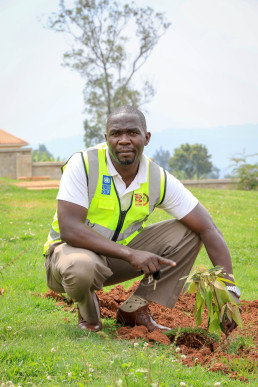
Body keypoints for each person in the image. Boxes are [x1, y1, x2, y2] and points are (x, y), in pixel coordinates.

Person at [44, 105, 241, 334]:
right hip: (67, 258)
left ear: (146, 138)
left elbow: (208, 228)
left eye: (133, 133)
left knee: (190, 232)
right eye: (116, 134)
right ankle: (89, 317)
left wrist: (229, 290)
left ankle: (133, 310)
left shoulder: (156, 178)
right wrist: (131, 254)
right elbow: (69, 229)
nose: (124, 140)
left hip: (112, 257)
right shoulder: (84, 164)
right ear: (106, 138)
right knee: (81, 267)